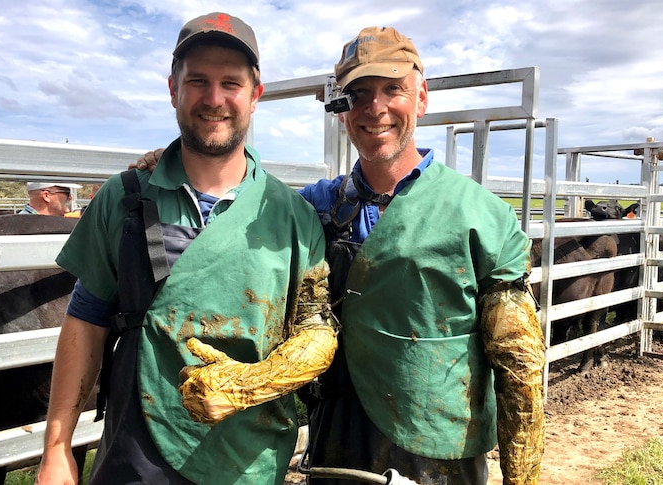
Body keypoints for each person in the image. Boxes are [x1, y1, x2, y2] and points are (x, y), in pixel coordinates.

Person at [136, 24, 546, 485]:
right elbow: (233, 182)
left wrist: (521, 479)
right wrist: (175, 158)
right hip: (336, 443)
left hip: (439, 453)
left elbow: (520, 365)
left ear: (422, 97)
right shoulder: (317, 207)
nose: (376, 108)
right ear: (342, 111)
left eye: (393, 89)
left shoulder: (483, 217)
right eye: (360, 94)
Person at [35, 12, 337, 485]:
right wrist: (56, 449)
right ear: (173, 87)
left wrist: (243, 385)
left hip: (249, 461)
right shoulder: (125, 198)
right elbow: (86, 321)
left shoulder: (292, 216)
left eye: (230, 83)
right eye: (197, 80)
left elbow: (316, 332)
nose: (213, 99)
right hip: (137, 457)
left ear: (255, 95)